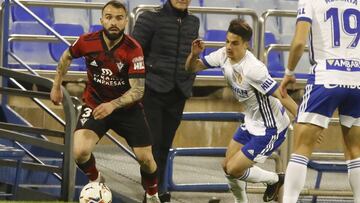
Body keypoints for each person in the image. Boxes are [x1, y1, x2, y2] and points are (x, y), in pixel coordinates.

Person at [50, 1, 161, 202]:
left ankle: (152, 194)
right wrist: (57, 85)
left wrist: (112, 105)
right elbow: (66, 57)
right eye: (108, 17)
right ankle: (96, 179)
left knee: (146, 159)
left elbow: (138, 90)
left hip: (127, 110)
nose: (113, 22)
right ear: (101, 20)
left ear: (126, 21)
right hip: (95, 104)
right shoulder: (86, 41)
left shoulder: (133, 49)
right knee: (79, 151)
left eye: (119, 18)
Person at [185, 19, 298, 203]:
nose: (229, 46)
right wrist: (193, 55)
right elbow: (191, 68)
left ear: (247, 45)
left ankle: (275, 179)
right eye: (227, 41)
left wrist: (303, 119)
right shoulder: (223, 54)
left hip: (271, 128)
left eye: (235, 43)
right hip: (251, 121)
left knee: (234, 169)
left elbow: (282, 95)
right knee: (226, 167)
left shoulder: (254, 69)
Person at [279, 0, 360, 202]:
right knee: (356, 151)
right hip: (357, 77)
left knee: (302, 149)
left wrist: (289, 72)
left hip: (326, 76)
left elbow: (299, 42)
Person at [131, 0, 200, 201]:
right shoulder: (150, 18)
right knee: (152, 146)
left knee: (164, 146)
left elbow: (190, 57)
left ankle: (156, 191)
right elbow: (134, 55)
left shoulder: (193, 22)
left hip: (178, 93)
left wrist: (187, 82)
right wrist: (139, 87)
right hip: (152, 91)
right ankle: (152, 192)